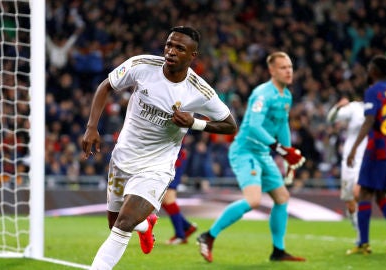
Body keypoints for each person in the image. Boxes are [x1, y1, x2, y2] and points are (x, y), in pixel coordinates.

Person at [81, 26, 237, 270]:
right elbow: (106, 86)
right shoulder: (142, 66)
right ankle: (145, 224)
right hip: (123, 158)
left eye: (179, 48)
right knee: (115, 223)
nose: (171, 51)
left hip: (157, 166)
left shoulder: (199, 90)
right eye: (169, 45)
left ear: (192, 56)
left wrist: (195, 123)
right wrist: (92, 127)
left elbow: (230, 125)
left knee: (122, 226)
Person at [197, 51, 306, 263]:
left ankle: (278, 251)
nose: (288, 71)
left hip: (262, 153)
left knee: (282, 198)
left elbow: (282, 125)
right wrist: (281, 150)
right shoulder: (262, 94)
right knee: (254, 200)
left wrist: (288, 153)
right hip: (245, 151)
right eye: (283, 67)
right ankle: (208, 236)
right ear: (272, 70)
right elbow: (254, 126)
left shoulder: (286, 96)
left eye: (290, 67)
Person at [327, 95, 386, 250]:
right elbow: (331, 119)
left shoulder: (384, 115)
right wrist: (338, 107)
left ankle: (367, 240)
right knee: (351, 202)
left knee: (361, 194)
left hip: (370, 161)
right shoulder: (356, 108)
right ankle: (364, 240)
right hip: (350, 162)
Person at [346, 55, 386, 255]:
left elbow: (369, 120)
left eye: (369, 68)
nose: (367, 71)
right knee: (381, 193)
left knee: (365, 192)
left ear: (374, 71)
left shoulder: (373, 91)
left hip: (378, 147)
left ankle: (363, 243)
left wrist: (355, 147)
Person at [162, 147, 198, 245]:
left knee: (168, 197)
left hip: (173, 156)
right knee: (162, 199)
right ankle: (187, 227)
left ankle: (180, 235)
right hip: (166, 155)